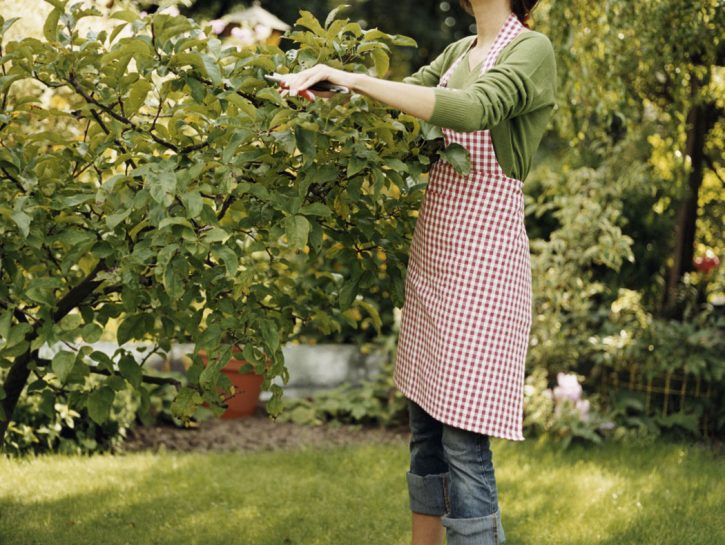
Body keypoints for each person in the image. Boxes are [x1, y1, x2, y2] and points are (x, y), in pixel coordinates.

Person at [281, 1, 556, 543]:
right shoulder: (459, 52)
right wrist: (321, 83)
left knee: (462, 441)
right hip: (436, 258)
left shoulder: (532, 48)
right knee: (426, 433)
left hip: (483, 270)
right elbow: (399, 102)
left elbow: (474, 109)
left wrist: (352, 78)